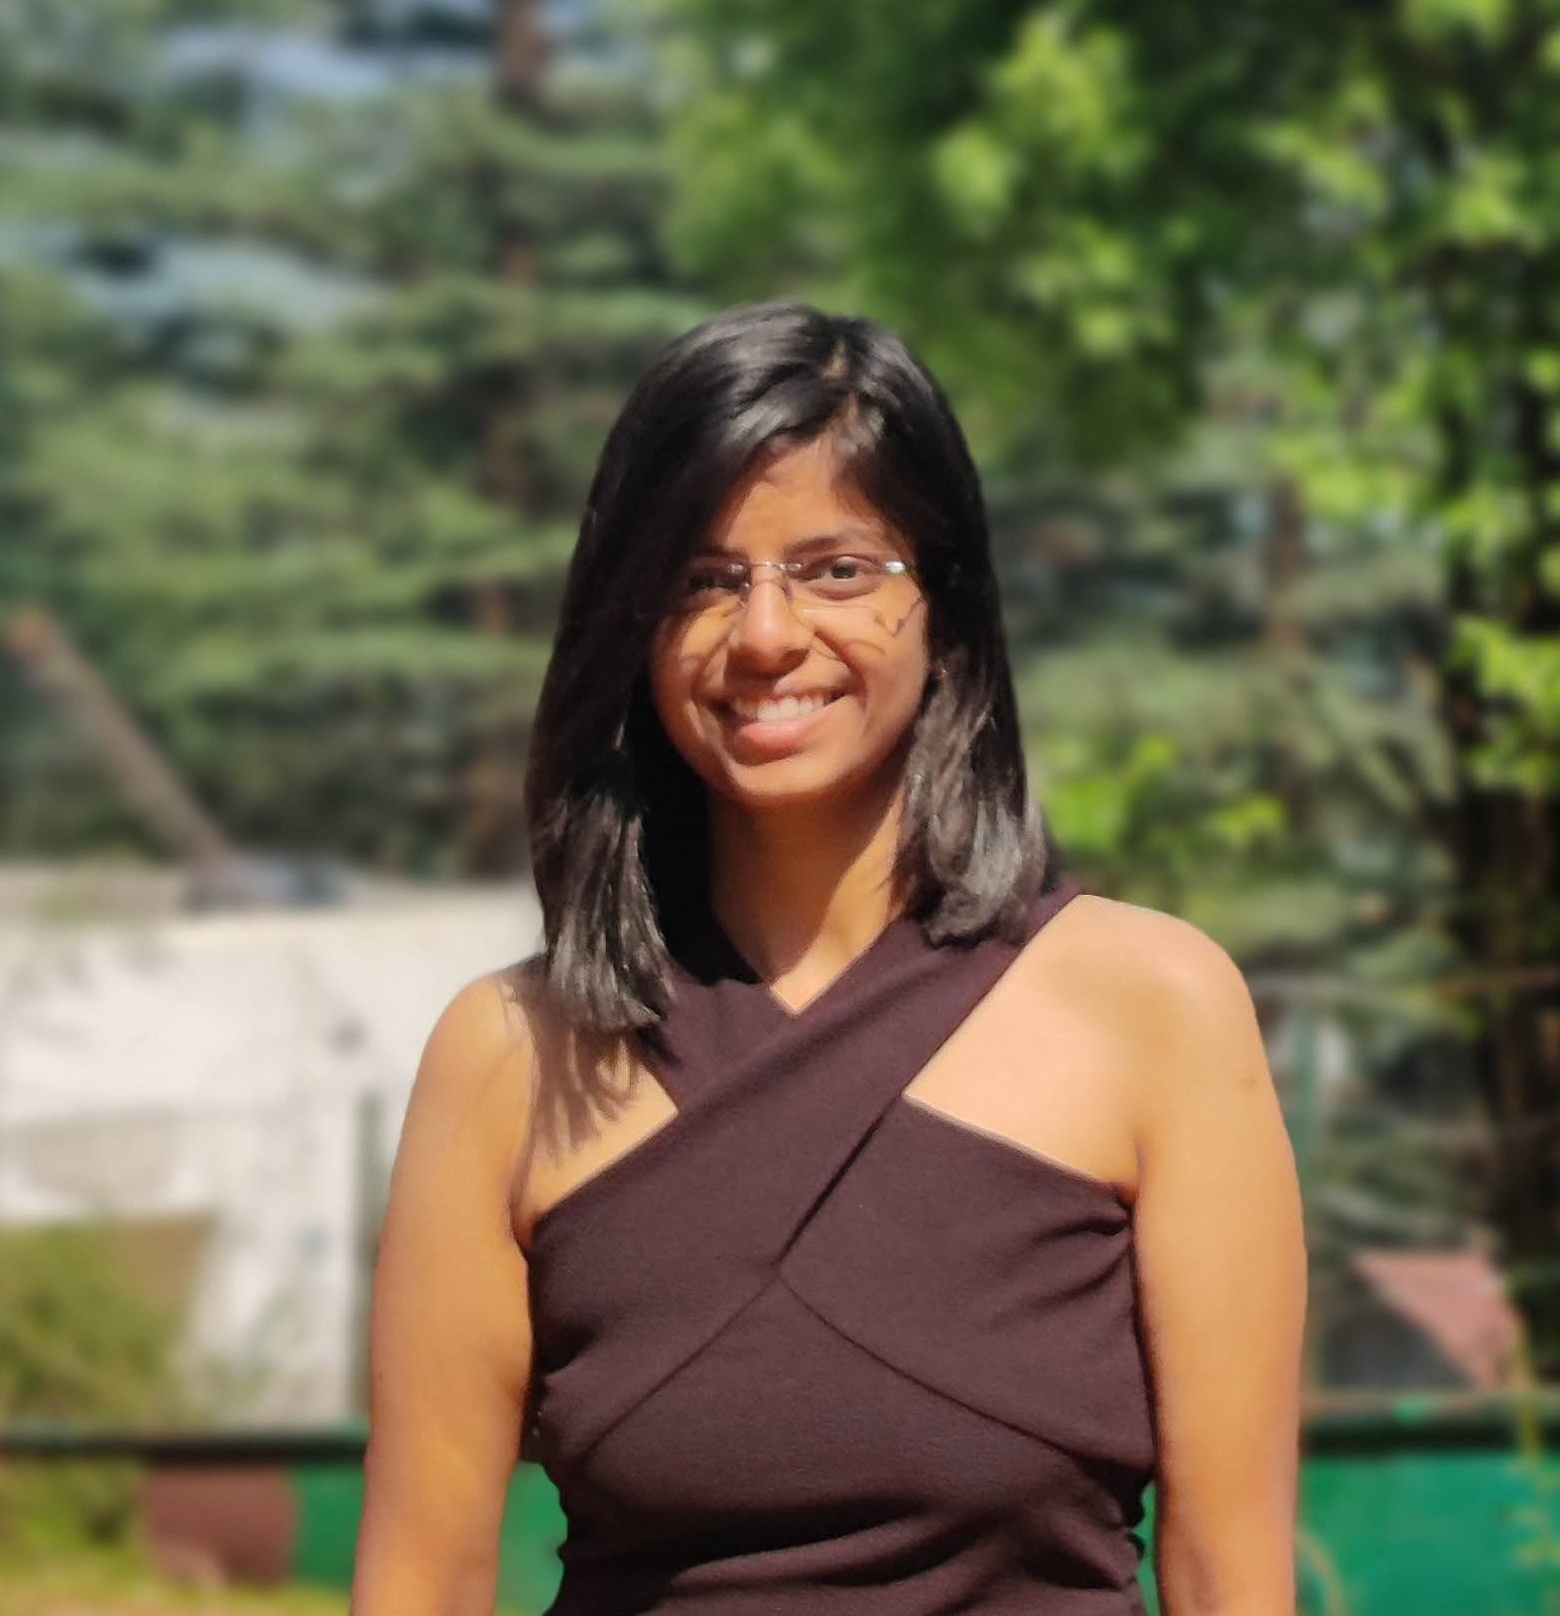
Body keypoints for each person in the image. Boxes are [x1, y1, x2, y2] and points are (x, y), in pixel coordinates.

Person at [351, 302, 1307, 1616]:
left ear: (946, 601)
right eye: (702, 579)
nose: (764, 635)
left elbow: (1230, 1574)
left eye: (838, 569)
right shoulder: (513, 1055)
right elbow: (421, 1581)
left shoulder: (1154, 1011)